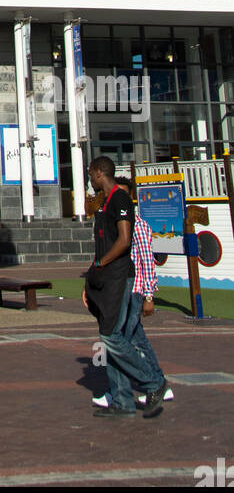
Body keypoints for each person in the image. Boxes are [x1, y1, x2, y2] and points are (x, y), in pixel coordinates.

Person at [82, 158, 167, 420]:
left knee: (112, 337)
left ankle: (153, 381)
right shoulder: (105, 202)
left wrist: (101, 264)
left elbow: (124, 241)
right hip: (105, 280)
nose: (90, 180)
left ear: (99, 173)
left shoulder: (119, 199)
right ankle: (122, 402)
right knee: (111, 339)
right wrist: (92, 278)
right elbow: (103, 244)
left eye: (90, 175)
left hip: (119, 279)